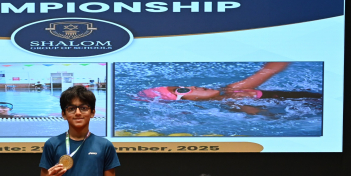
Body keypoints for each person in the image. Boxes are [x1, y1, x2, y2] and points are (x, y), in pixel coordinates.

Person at [136, 62, 323, 102]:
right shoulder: (233, 107)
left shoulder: (233, 90)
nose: (191, 86)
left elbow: (272, 68)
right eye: (182, 90)